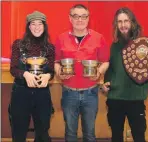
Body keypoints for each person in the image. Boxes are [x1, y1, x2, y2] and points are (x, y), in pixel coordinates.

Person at [101, 7, 148, 142]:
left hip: (135, 100)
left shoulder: (143, 44)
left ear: (132, 23)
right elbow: (111, 69)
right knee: (116, 137)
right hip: (115, 99)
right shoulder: (114, 46)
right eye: (119, 22)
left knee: (139, 137)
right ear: (116, 25)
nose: (123, 25)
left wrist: (147, 55)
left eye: (126, 21)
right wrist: (105, 83)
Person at [54, 4, 110, 142]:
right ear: (70, 18)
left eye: (83, 16)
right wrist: (59, 72)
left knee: (90, 134)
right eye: (76, 16)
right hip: (69, 92)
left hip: (90, 93)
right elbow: (55, 61)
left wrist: (99, 72)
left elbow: (106, 61)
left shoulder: (98, 38)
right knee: (70, 134)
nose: (80, 19)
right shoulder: (61, 38)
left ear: (88, 18)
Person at [9, 11, 55, 142]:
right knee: (18, 132)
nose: (36, 27)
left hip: (42, 94)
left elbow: (51, 70)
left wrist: (48, 76)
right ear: (28, 27)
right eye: (33, 24)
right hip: (21, 93)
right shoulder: (18, 44)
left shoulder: (50, 48)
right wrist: (24, 74)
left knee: (43, 134)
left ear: (44, 26)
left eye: (40, 24)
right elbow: (13, 69)